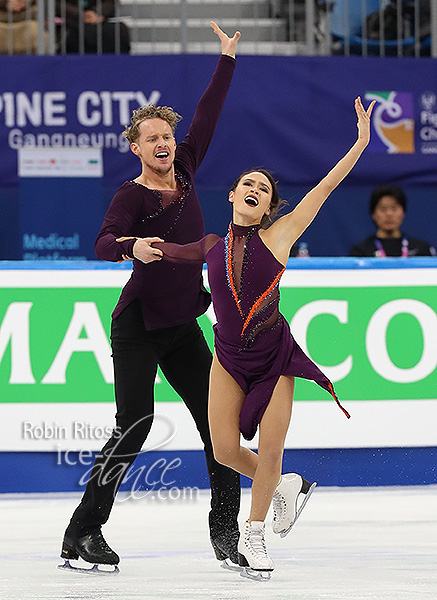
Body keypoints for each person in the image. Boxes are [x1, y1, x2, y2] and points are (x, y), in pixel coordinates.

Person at [145, 97, 374, 580]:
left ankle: (255, 532)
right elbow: (171, 252)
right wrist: (136, 247)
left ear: (270, 206)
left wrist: (360, 143)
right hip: (226, 359)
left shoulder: (281, 236)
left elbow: (326, 186)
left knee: (270, 449)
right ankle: (285, 485)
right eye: (247, 183)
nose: (254, 189)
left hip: (274, 357)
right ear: (232, 196)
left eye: (264, 188)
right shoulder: (211, 245)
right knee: (225, 450)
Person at [60, 22, 242, 573]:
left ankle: (226, 532)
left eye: (168, 136)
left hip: (183, 323)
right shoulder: (131, 194)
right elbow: (101, 242)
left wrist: (226, 60)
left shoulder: (185, 169)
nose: (164, 144)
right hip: (139, 322)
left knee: (218, 425)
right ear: (136, 148)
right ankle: (83, 531)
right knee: (135, 421)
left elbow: (207, 114)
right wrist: (130, 245)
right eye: (153, 139)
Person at [350, 184, 436, 257]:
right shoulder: (361, 252)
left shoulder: (422, 249)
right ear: (373, 214)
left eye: (394, 208)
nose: (389, 214)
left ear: (403, 212)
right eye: (383, 209)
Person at [56, 0, 130, 53]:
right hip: (68, 22)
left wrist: (97, 13)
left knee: (118, 31)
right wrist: (81, 15)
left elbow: (111, 2)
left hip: (98, 21)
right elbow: (56, 3)